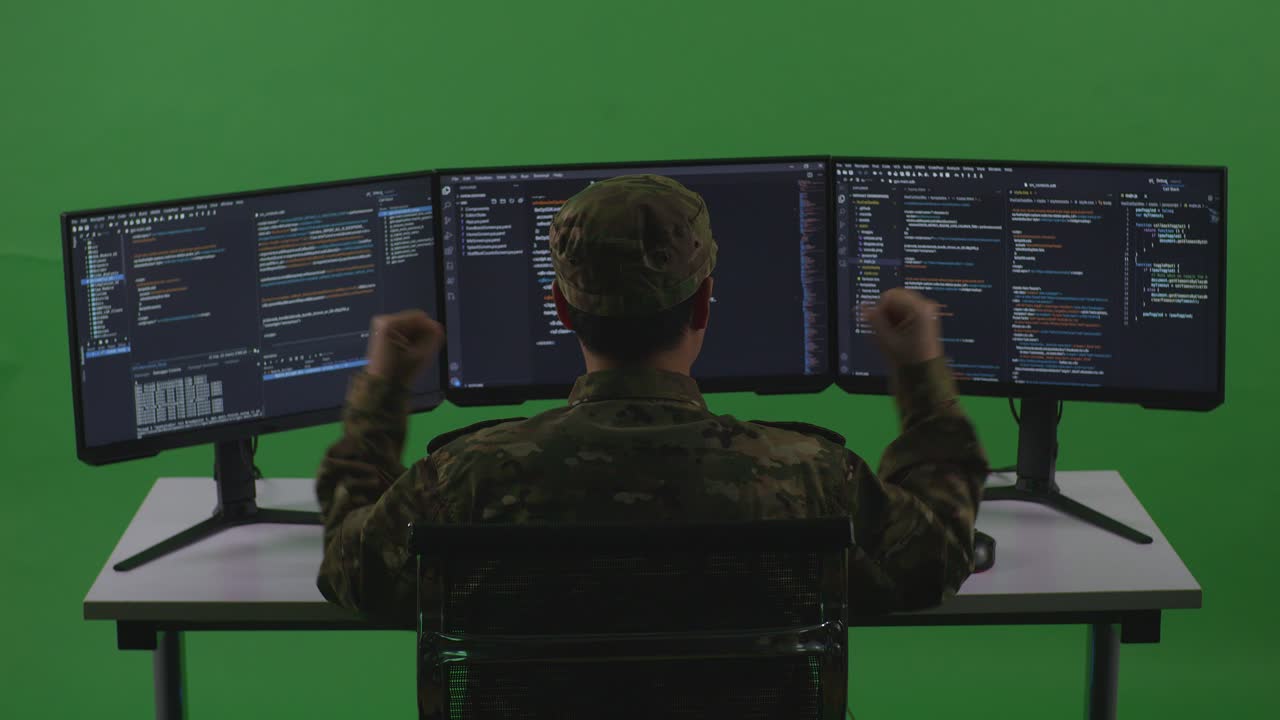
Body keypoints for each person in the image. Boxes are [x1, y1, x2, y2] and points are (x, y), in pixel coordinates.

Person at [315, 174, 988, 628]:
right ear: (703, 300)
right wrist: (921, 376)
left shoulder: (466, 480)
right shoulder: (808, 476)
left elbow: (352, 571)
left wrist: (384, 393)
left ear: (562, 306)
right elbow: (936, 556)